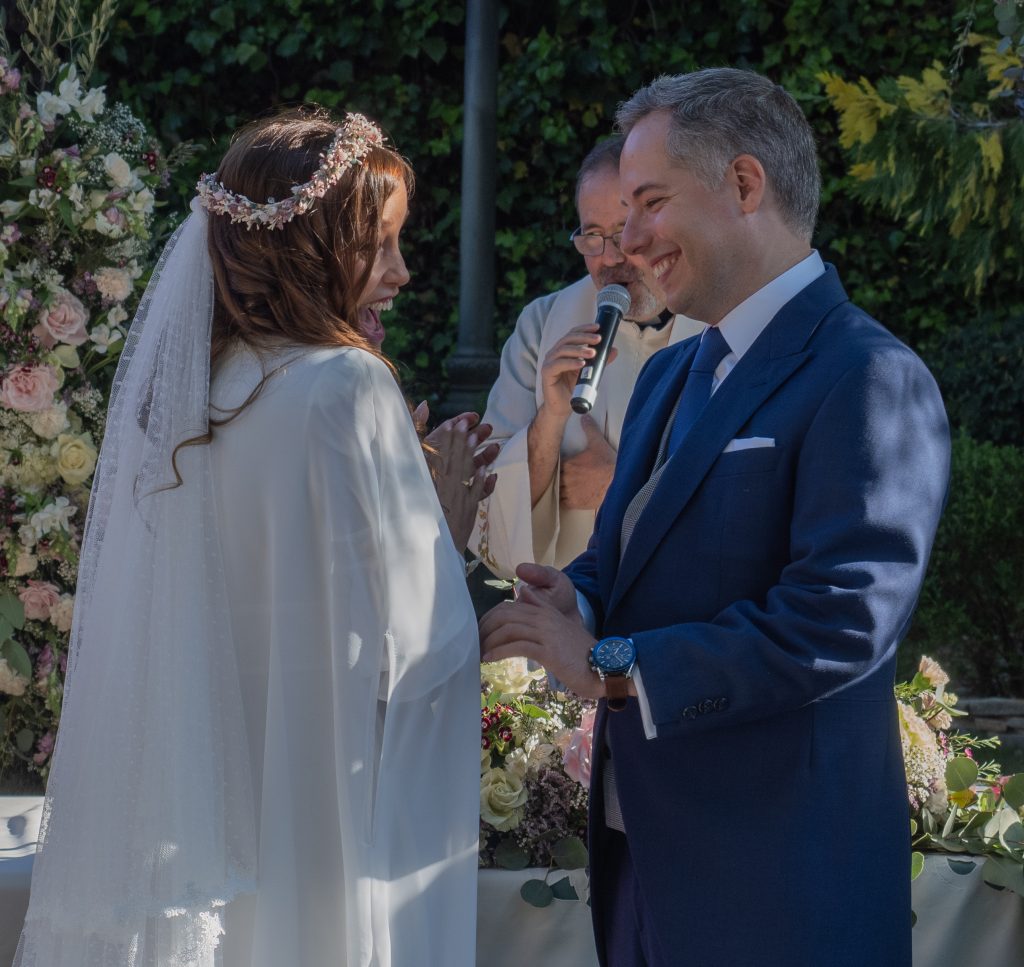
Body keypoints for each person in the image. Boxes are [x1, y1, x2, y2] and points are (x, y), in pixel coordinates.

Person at [480, 69, 951, 967]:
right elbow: (624, 557)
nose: (629, 240)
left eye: (650, 203)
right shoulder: (670, 373)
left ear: (744, 183)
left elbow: (838, 620)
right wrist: (577, 597)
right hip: (644, 868)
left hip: (780, 890)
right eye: (621, 215)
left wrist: (611, 667)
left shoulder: (869, 374)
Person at [16, 109, 482, 967]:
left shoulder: (188, 400)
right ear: (306, 249)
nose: (401, 272)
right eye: (376, 245)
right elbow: (413, 649)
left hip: (195, 814)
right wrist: (446, 528)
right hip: (315, 810)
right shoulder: (348, 385)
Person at [471, 137, 702, 579]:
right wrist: (550, 419)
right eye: (592, 236)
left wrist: (622, 485)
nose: (610, 257)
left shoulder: (720, 323)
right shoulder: (543, 324)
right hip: (564, 603)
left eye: (622, 230)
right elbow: (489, 500)